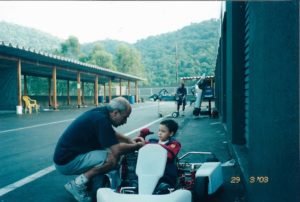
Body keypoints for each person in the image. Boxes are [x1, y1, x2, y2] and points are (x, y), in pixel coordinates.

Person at [53, 97, 145, 202]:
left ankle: (89, 183)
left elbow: (111, 134)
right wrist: (137, 146)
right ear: (115, 113)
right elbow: (117, 150)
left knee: (105, 153)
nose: (125, 121)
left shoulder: (101, 113)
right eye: (125, 117)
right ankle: (77, 184)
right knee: (112, 159)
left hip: (66, 157)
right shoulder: (101, 120)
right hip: (66, 162)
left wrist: (129, 140)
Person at [139, 120, 181, 191]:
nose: (159, 133)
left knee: (164, 184)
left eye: (163, 131)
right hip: (150, 169)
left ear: (171, 133)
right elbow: (138, 143)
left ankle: (164, 188)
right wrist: (142, 135)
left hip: (166, 171)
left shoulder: (174, 144)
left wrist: (153, 146)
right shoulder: (153, 141)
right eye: (159, 130)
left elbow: (169, 155)